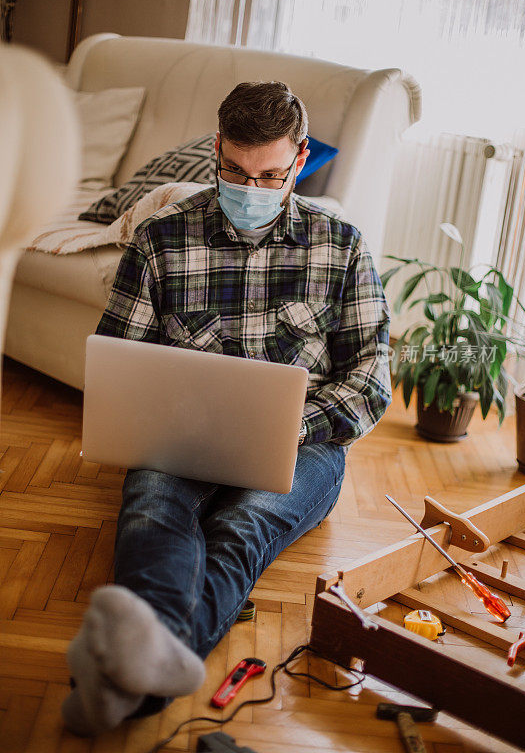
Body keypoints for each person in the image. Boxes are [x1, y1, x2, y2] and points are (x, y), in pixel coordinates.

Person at [61, 81, 392, 737]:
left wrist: (289, 422)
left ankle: (125, 682)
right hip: (181, 433)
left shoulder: (342, 245)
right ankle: (143, 680)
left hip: (306, 443)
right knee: (152, 511)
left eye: (269, 175)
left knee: (241, 531)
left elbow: (370, 383)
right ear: (217, 150)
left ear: (299, 159)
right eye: (235, 171)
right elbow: (117, 362)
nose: (251, 187)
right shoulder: (161, 239)